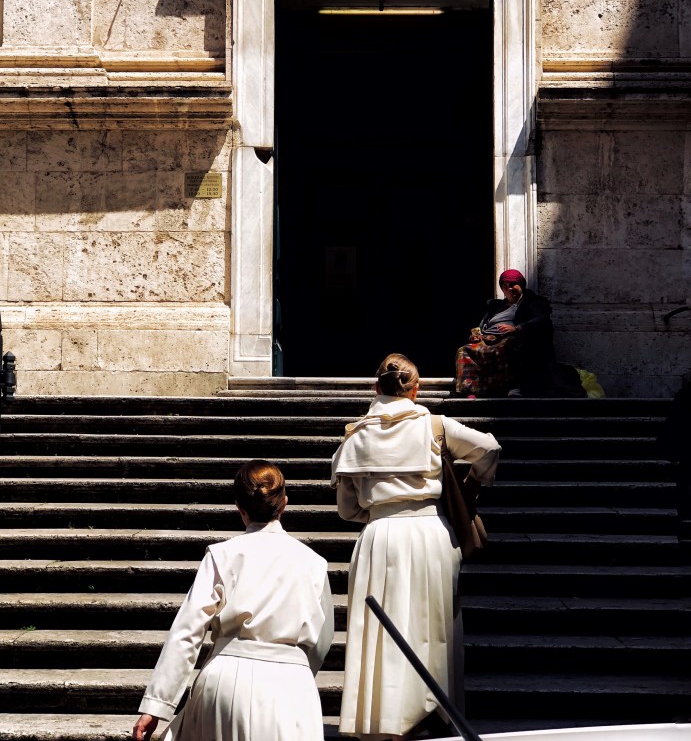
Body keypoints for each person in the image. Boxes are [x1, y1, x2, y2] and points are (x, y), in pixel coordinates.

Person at [332, 353, 501, 740]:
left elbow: (348, 510)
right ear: (415, 388)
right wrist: (471, 485)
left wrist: (378, 508)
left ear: (375, 387)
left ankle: (383, 719)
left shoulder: (355, 436)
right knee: (433, 626)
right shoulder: (435, 425)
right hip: (430, 532)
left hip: (380, 536)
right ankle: (434, 710)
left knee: (381, 628)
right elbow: (489, 449)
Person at [132, 460, 334, 741]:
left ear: (240, 508)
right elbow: (323, 639)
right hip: (292, 684)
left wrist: (157, 705)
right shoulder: (314, 563)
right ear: (284, 504)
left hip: (227, 680)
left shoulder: (222, 554)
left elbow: (187, 632)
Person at [454, 269, 557, 398]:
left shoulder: (532, 302)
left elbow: (541, 319)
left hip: (510, 338)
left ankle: (513, 387)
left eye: (513, 284)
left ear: (521, 285)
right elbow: (483, 325)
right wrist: (476, 336)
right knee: (464, 350)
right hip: (487, 339)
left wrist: (517, 328)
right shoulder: (496, 306)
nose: (509, 289)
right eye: (505, 286)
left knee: (509, 345)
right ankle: (471, 390)